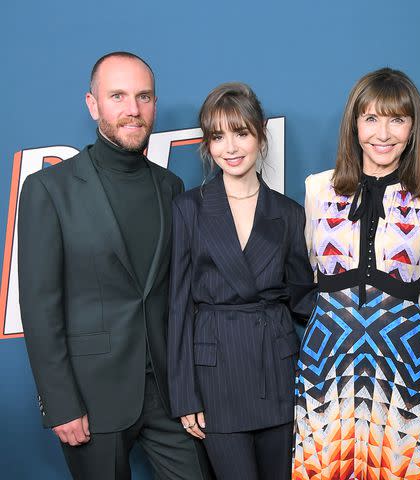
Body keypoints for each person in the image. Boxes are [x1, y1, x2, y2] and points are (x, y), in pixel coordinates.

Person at [18, 52, 211, 479]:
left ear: (155, 104)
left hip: (167, 394)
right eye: (118, 96)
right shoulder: (48, 189)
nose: (132, 109)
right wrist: (60, 402)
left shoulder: (170, 187)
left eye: (143, 97)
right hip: (91, 399)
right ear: (93, 104)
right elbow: (39, 306)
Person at [294, 68, 420, 480]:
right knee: (329, 467)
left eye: (397, 119)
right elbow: (312, 276)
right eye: (371, 119)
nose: (383, 134)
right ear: (354, 124)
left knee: (398, 467)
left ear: (413, 127)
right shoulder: (318, 188)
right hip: (328, 358)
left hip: (403, 357)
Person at [167, 82, 315, 480]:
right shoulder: (189, 209)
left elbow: (304, 298)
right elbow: (178, 305)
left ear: (260, 134)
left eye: (241, 133)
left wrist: (360, 310)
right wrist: (184, 394)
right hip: (216, 376)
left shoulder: (288, 213)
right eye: (218, 136)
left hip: (277, 369)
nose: (230, 148)